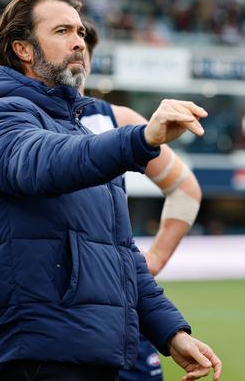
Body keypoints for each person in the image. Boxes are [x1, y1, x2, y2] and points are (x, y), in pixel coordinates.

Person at [0, 0, 221, 380]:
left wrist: (171, 331)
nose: (79, 41)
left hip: (92, 354)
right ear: (23, 49)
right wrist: (141, 138)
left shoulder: (78, 130)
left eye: (79, 31)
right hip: (36, 356)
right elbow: (41, 162)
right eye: (62, 31)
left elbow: (117, 251)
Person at [81, 19, 202, 381]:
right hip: (51, 324)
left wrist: (156, 259)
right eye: (62, 34)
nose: (75, 52)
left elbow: (185, 188)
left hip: (120, 311)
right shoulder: (15, 122)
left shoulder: (116, 119)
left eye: (81, 45)